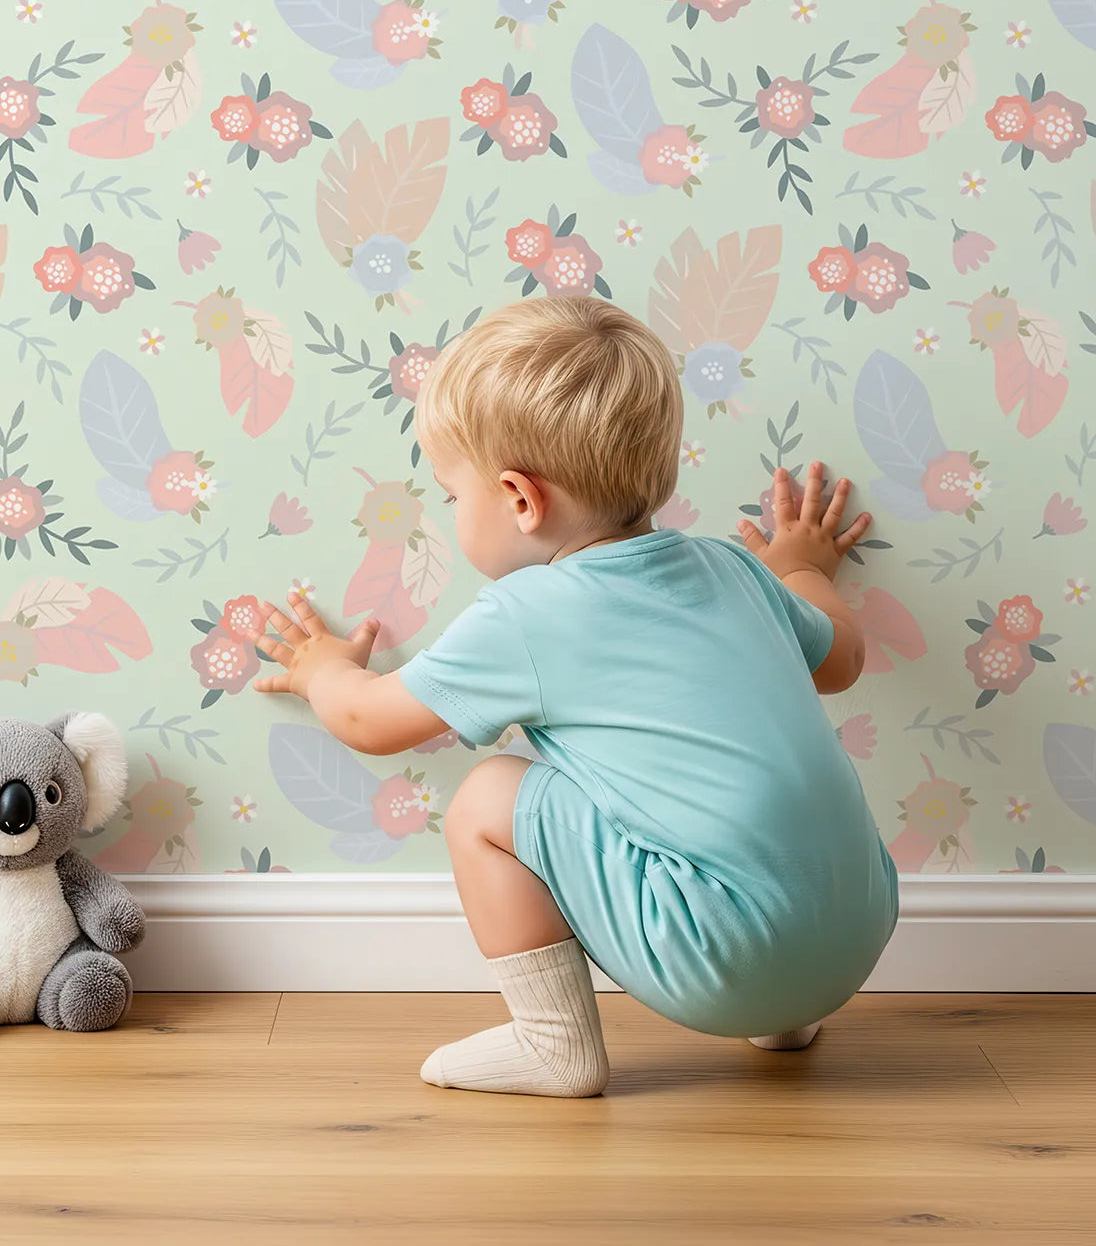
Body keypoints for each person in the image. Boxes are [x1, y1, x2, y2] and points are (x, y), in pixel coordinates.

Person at [248, 296, 899, 1097]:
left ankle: (554, 1042)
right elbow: (843, 662)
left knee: (489, 795)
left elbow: (368, 720)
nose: (454, 514)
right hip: (853, 939)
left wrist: (320, 668)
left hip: (723, 960)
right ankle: (784, 1015)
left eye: (455, 496)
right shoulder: (732, 570)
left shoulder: (527, 613)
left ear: (520, 500)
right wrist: (802, 567)